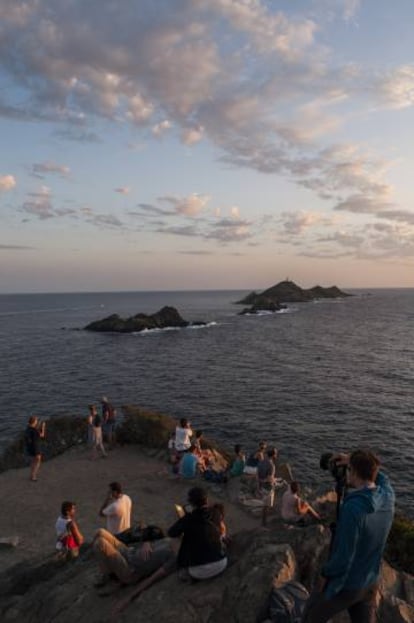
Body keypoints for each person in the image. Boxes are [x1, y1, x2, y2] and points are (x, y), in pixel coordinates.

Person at [302, 449, 395, 623]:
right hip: (371, 580)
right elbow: (383, 478)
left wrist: (325, 575)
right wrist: (352, 460)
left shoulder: (353, 510)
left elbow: (344, 556)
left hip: (347, 586)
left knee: (311, 616)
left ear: (353, 472)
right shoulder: (388, 497)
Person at [168, 486, 227, 580]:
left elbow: (171, 533)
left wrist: (184, 519)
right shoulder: (215, 512)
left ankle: (182, 567)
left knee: (174, 539)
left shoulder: (189, 518)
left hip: (199, 572)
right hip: (222, 563)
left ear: (191, 503)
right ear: (206, 500)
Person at [93, 528, 175, 590]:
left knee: (100, 543)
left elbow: (155, 576)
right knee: (100, 532)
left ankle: (109, 576)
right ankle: (107, 568)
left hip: (130, 570)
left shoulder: (174, 556)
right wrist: (147, 543)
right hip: (129, 552)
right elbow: (154, 540)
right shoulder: (169, 540)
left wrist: (129, 597)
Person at [257, 447, 278, 526]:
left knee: (265, 505)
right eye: (276, 454)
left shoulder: (261, 462)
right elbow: (269, 479)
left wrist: (259, 484)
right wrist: (274, 481)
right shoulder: (272, 465)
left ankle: (264, 520)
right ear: (273, 455)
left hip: (261, 486)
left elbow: (257, 474)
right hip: (268, 488)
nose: (277, 455)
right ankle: (264, 523)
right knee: (266, 506)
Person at [24, 415, 46, 481]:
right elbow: (42, 435)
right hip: (35, 447)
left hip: (29, 447)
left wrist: (38, 427)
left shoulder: (27, 429)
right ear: (34, 422)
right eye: (36, 421)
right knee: (38, 461)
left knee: (33, 462)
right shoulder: (34, 430)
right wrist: (43, 427)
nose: (37, 422)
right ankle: (33, 476)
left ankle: (32, 475)